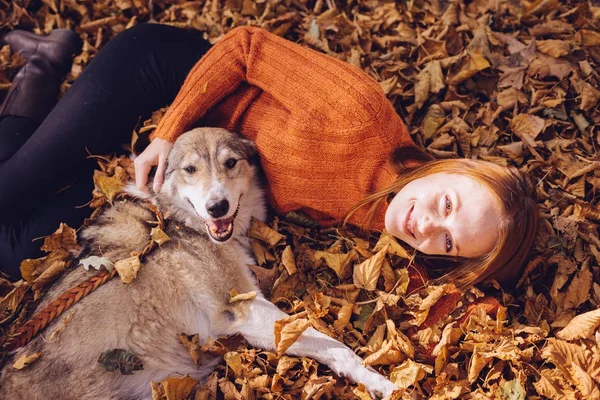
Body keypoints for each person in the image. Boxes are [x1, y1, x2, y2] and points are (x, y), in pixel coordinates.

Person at [0, 24, 538, 289]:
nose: (425, 226)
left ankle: (42, 69)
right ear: (449, 168)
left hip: (197, 175)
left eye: (448, 241)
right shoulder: (358, 115)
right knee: (7, 196)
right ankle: (44, 72)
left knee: (17, 244)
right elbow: (244, 46)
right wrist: (168, 132)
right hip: (165, 79)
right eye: (445, 204)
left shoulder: (384, 224)